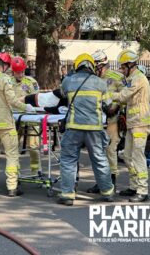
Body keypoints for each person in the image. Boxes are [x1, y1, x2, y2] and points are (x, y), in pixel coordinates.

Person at [57, 53, 114, 206]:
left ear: (77, 66)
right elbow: (109, 107)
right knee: (100, 160)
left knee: (69, 160)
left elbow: (62, 96)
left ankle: (68, 195)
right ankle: (107, 192)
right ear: (91, 66)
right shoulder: (101, 83)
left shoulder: (68, 81)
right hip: (94, 129)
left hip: (73, 127)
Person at [0, 52, 35, 197]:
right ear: (4, 65)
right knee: (12, 155)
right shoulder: (5, 79)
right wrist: (26, 107)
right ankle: (12, 187)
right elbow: (12, 100)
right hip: (5, 124)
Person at [111, 49, 150, 202]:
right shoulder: (132, 78)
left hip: (141, 123)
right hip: (133, 123)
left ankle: (142, 190)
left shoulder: (138, 78)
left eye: (123, 67)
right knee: (127, 155)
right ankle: (134, 186)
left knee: (137, 155)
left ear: (130, 65)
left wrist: (107, 95)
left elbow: (123, 95)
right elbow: (124, 98)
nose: (122, 70)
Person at [87, 50, 126, 194]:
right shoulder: (93, 78)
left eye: (95, 66)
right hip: (96, 120)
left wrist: (115, 107)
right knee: (98, 152)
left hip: (112, 120)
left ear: (101, 64)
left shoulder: (117, 76)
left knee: (110, 150)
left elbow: (125, 96)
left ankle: (112, 182)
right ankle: (100, 182)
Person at [10, 56, 40, 174]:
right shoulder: (8, 82)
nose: (20, 74)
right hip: (14, 118)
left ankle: (35, 170)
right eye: (18, 72)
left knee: (33, 146)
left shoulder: (31, 82)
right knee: (13, 146)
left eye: (22, 71)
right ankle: (15, 172)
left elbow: (36, 98)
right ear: (13, 71)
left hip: (30, 117)